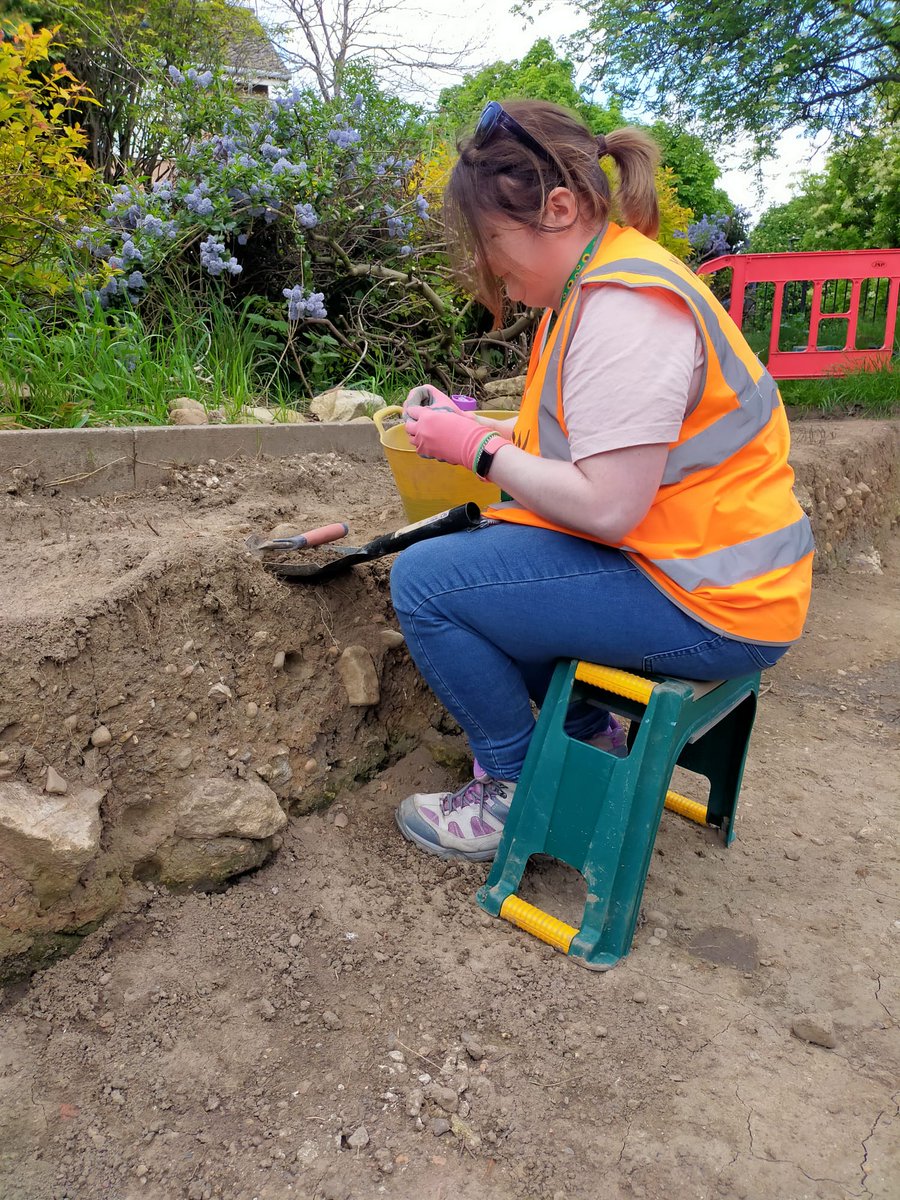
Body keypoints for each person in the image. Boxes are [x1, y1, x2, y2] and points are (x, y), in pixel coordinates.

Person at [389, 99, 814, 863]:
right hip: (698, 570)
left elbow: (609, 507)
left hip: (710, 599)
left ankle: (519, 792)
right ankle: (590, 736)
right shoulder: (595, 288)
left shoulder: (625, 307)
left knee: (427, 584)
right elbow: (586, 458)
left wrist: (477, 454)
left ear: (559, 208)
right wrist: (476, 435)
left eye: (494, 244)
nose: (496, 273)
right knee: (491, 563)